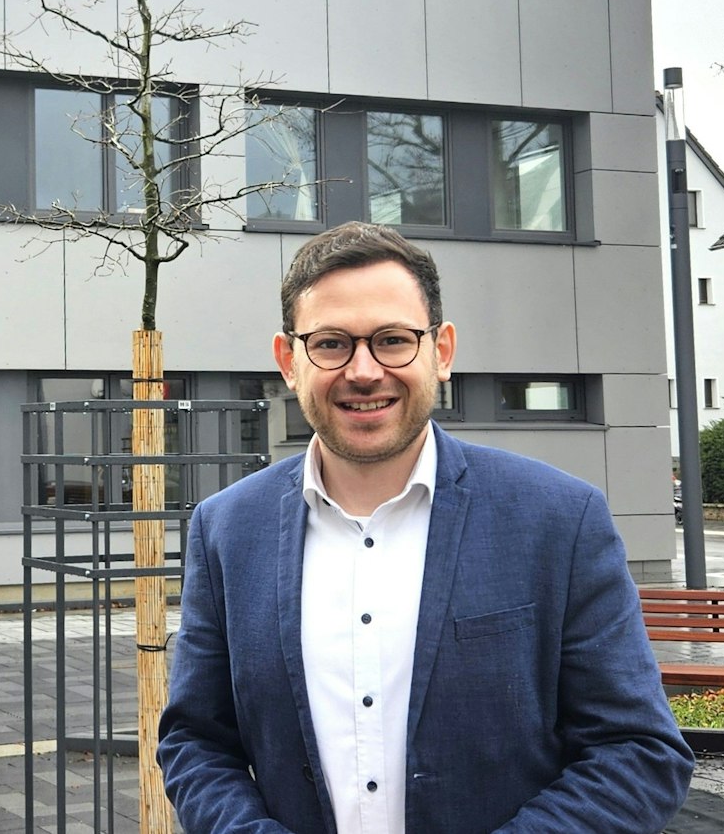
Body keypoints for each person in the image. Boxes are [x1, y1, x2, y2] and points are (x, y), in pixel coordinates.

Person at [157, 223, 693, 833]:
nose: (364, 371)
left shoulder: (559, 519)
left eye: (393, 340)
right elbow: (196, 742)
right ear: (289, 361)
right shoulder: (227, 529)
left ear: (442, 351)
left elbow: (637, 751)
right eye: (330, 343)